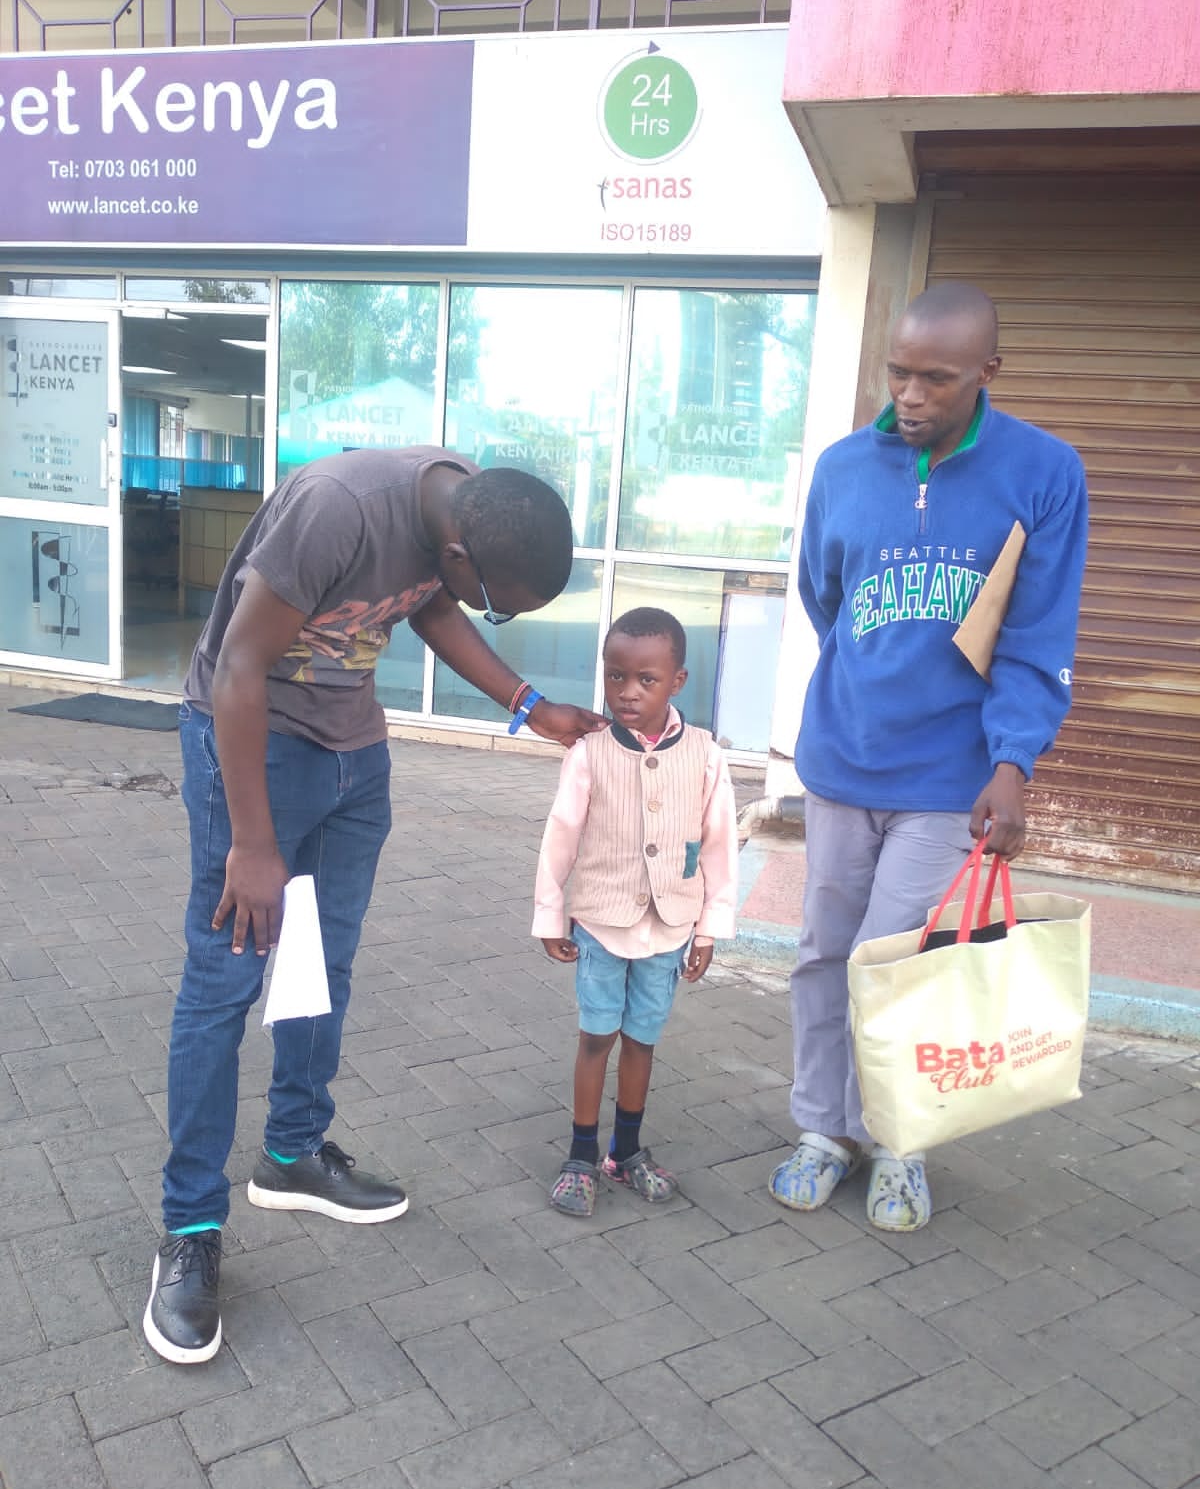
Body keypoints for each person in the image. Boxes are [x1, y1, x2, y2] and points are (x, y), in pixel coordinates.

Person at [144, 446, 605, 1364]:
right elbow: (237, 665)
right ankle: (190, 1229)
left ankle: (293, 1153)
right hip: (252, 746)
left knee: (323, 959)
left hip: (353, 754)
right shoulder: (339, 508)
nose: (490, 611)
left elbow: (430, 604)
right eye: (498, 600)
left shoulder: (462, 508)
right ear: (462, 550)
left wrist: (528, 704)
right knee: (225, 979)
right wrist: (254, 843)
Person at [769, 282, 1088, 1233]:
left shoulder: (1043, 472)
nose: (910, 395)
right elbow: (826, 597)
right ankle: (826, 1131)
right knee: (826, 954)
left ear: (987, 373)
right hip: (842, 762)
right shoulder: (842, 467)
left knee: (900, 962)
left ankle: (901, 1141)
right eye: (898, 372)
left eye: (935, 379)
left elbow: (1038, 630)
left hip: (954, 779)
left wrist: (1013, 762)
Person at [533, 607, 738, 1216]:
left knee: (642, 1041)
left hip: (671, 926)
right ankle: (580, 1154)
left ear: (677, 680)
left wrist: (709, 928)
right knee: (596, 1037)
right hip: (599, 923)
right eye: (615, 676)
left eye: (645, 680)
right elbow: (560, 835)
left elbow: (721, 844)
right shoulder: (589, 753)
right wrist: (550, 915)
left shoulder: (705, 754)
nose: (627, 692)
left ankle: (627, 1150)